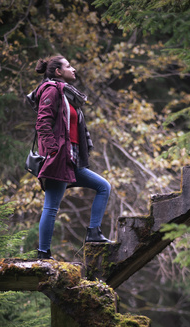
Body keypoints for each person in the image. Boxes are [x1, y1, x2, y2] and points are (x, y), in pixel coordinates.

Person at [28, 55, 113, 259]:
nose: (73, 69)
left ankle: (93, 233)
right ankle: (43, 253)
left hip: (71, 160)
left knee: (103, 187)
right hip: (59, 159)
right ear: (58, 71)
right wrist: (53, 151)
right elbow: (42, 122)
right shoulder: (51, 90)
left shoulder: (67, 94)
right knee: (51, 207)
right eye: (69, 66)